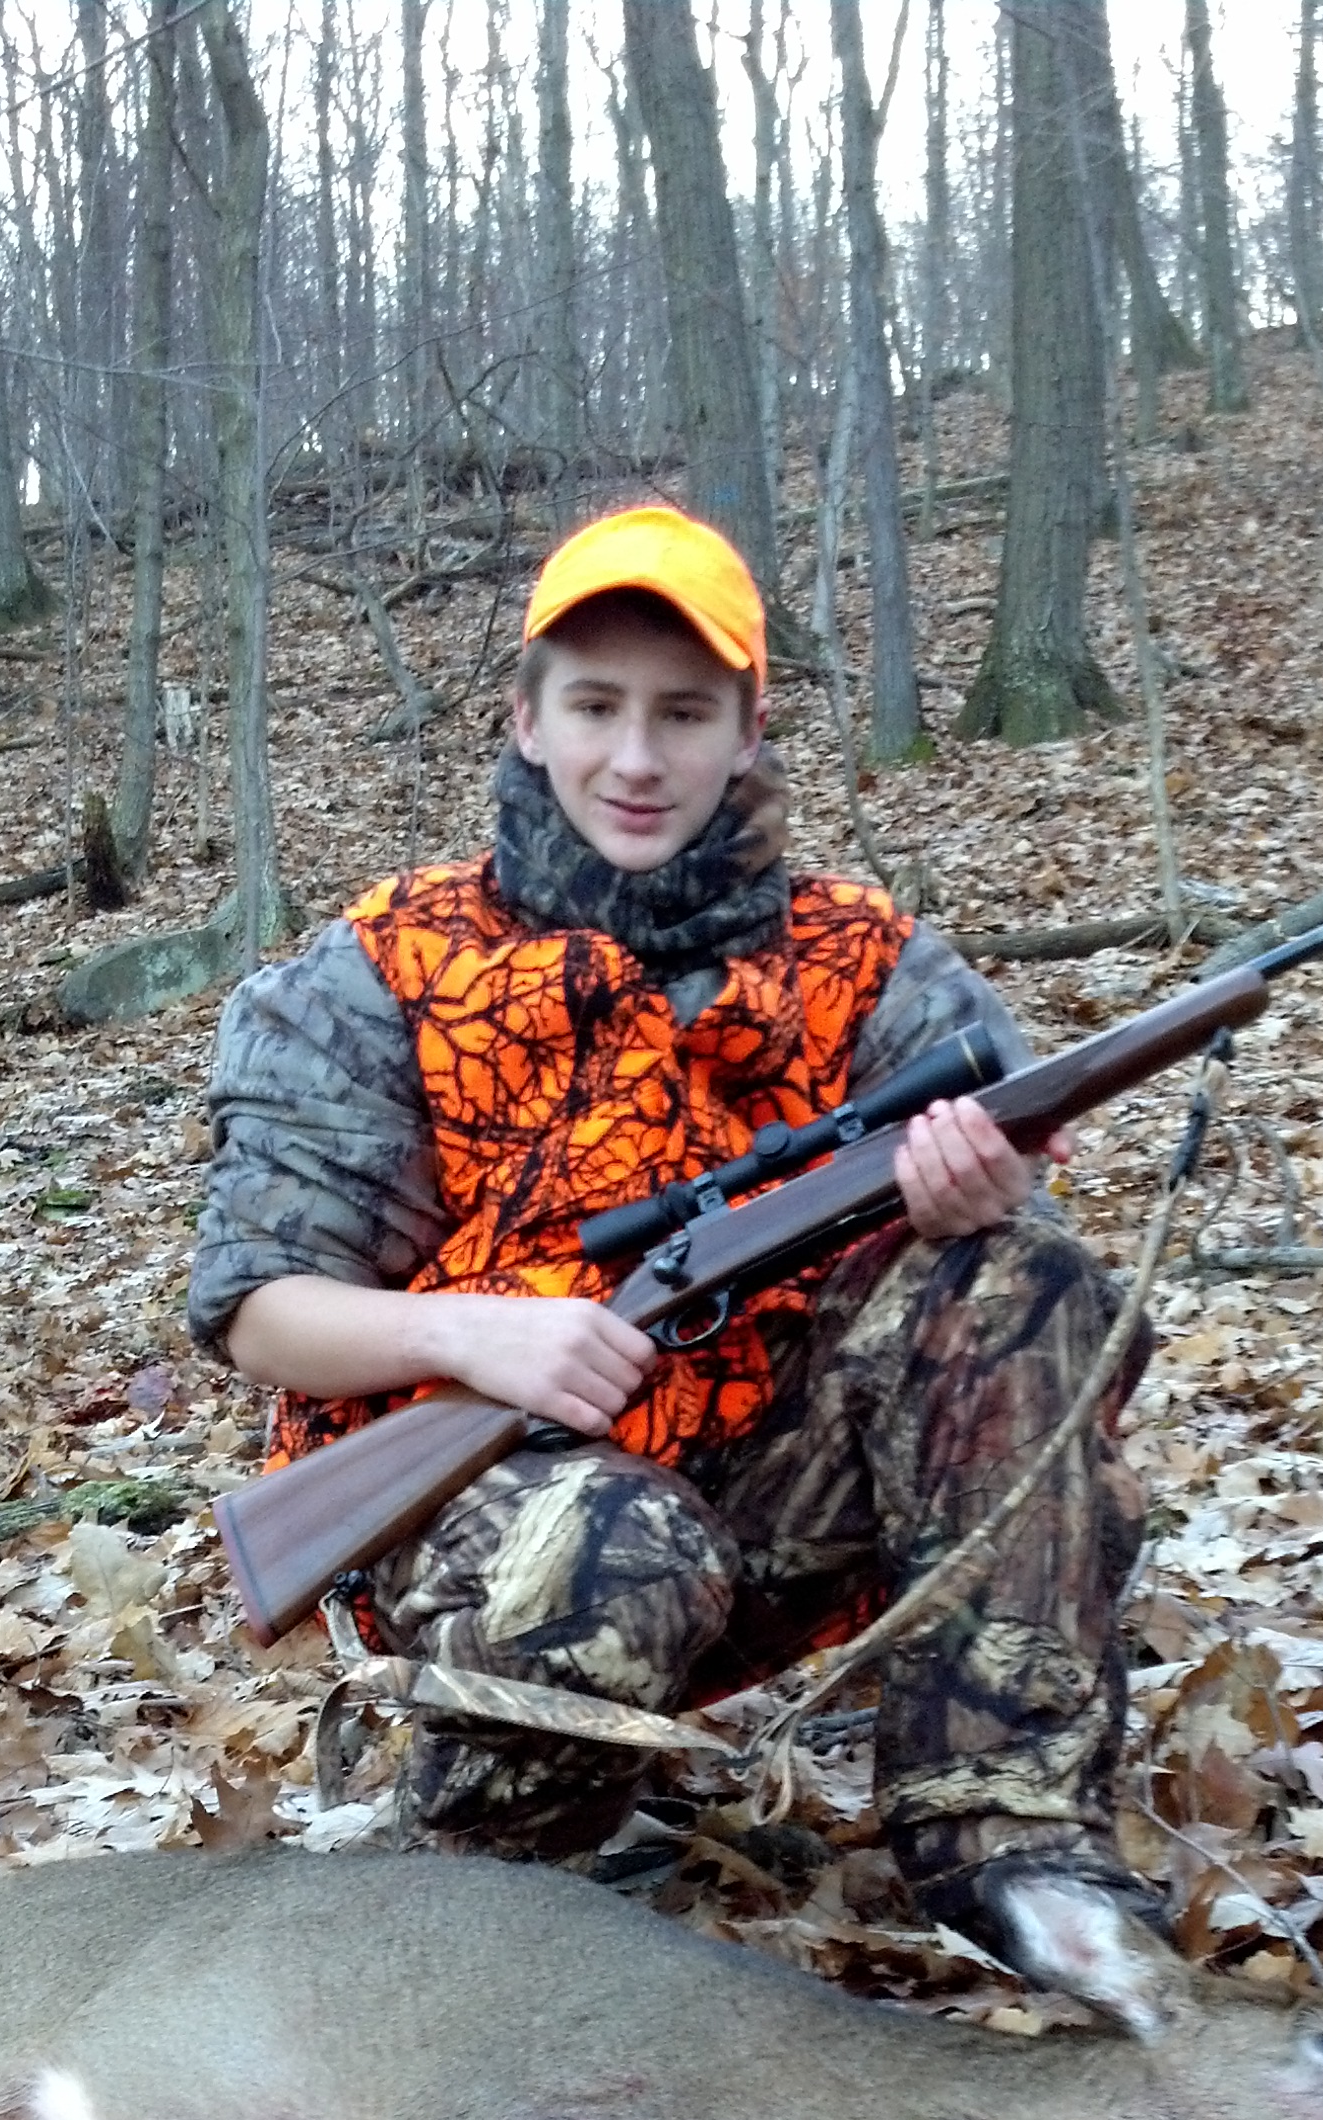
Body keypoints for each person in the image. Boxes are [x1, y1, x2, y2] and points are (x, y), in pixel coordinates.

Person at [190, 505, 1168, 2023]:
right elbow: (262, 1311)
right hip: (504, 1526)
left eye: (683, 713)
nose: (635, 760)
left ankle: (1015, 1847)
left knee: (1035, 1282)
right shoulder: (378, 970)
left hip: (771, 1508)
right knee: (605, 1550)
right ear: (525, 719)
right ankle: (469, 1886)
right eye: (595, 708)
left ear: (747, 727)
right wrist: (481, 1336)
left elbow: (1017, 1221)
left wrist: (981, 1205)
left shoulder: (865, 962)